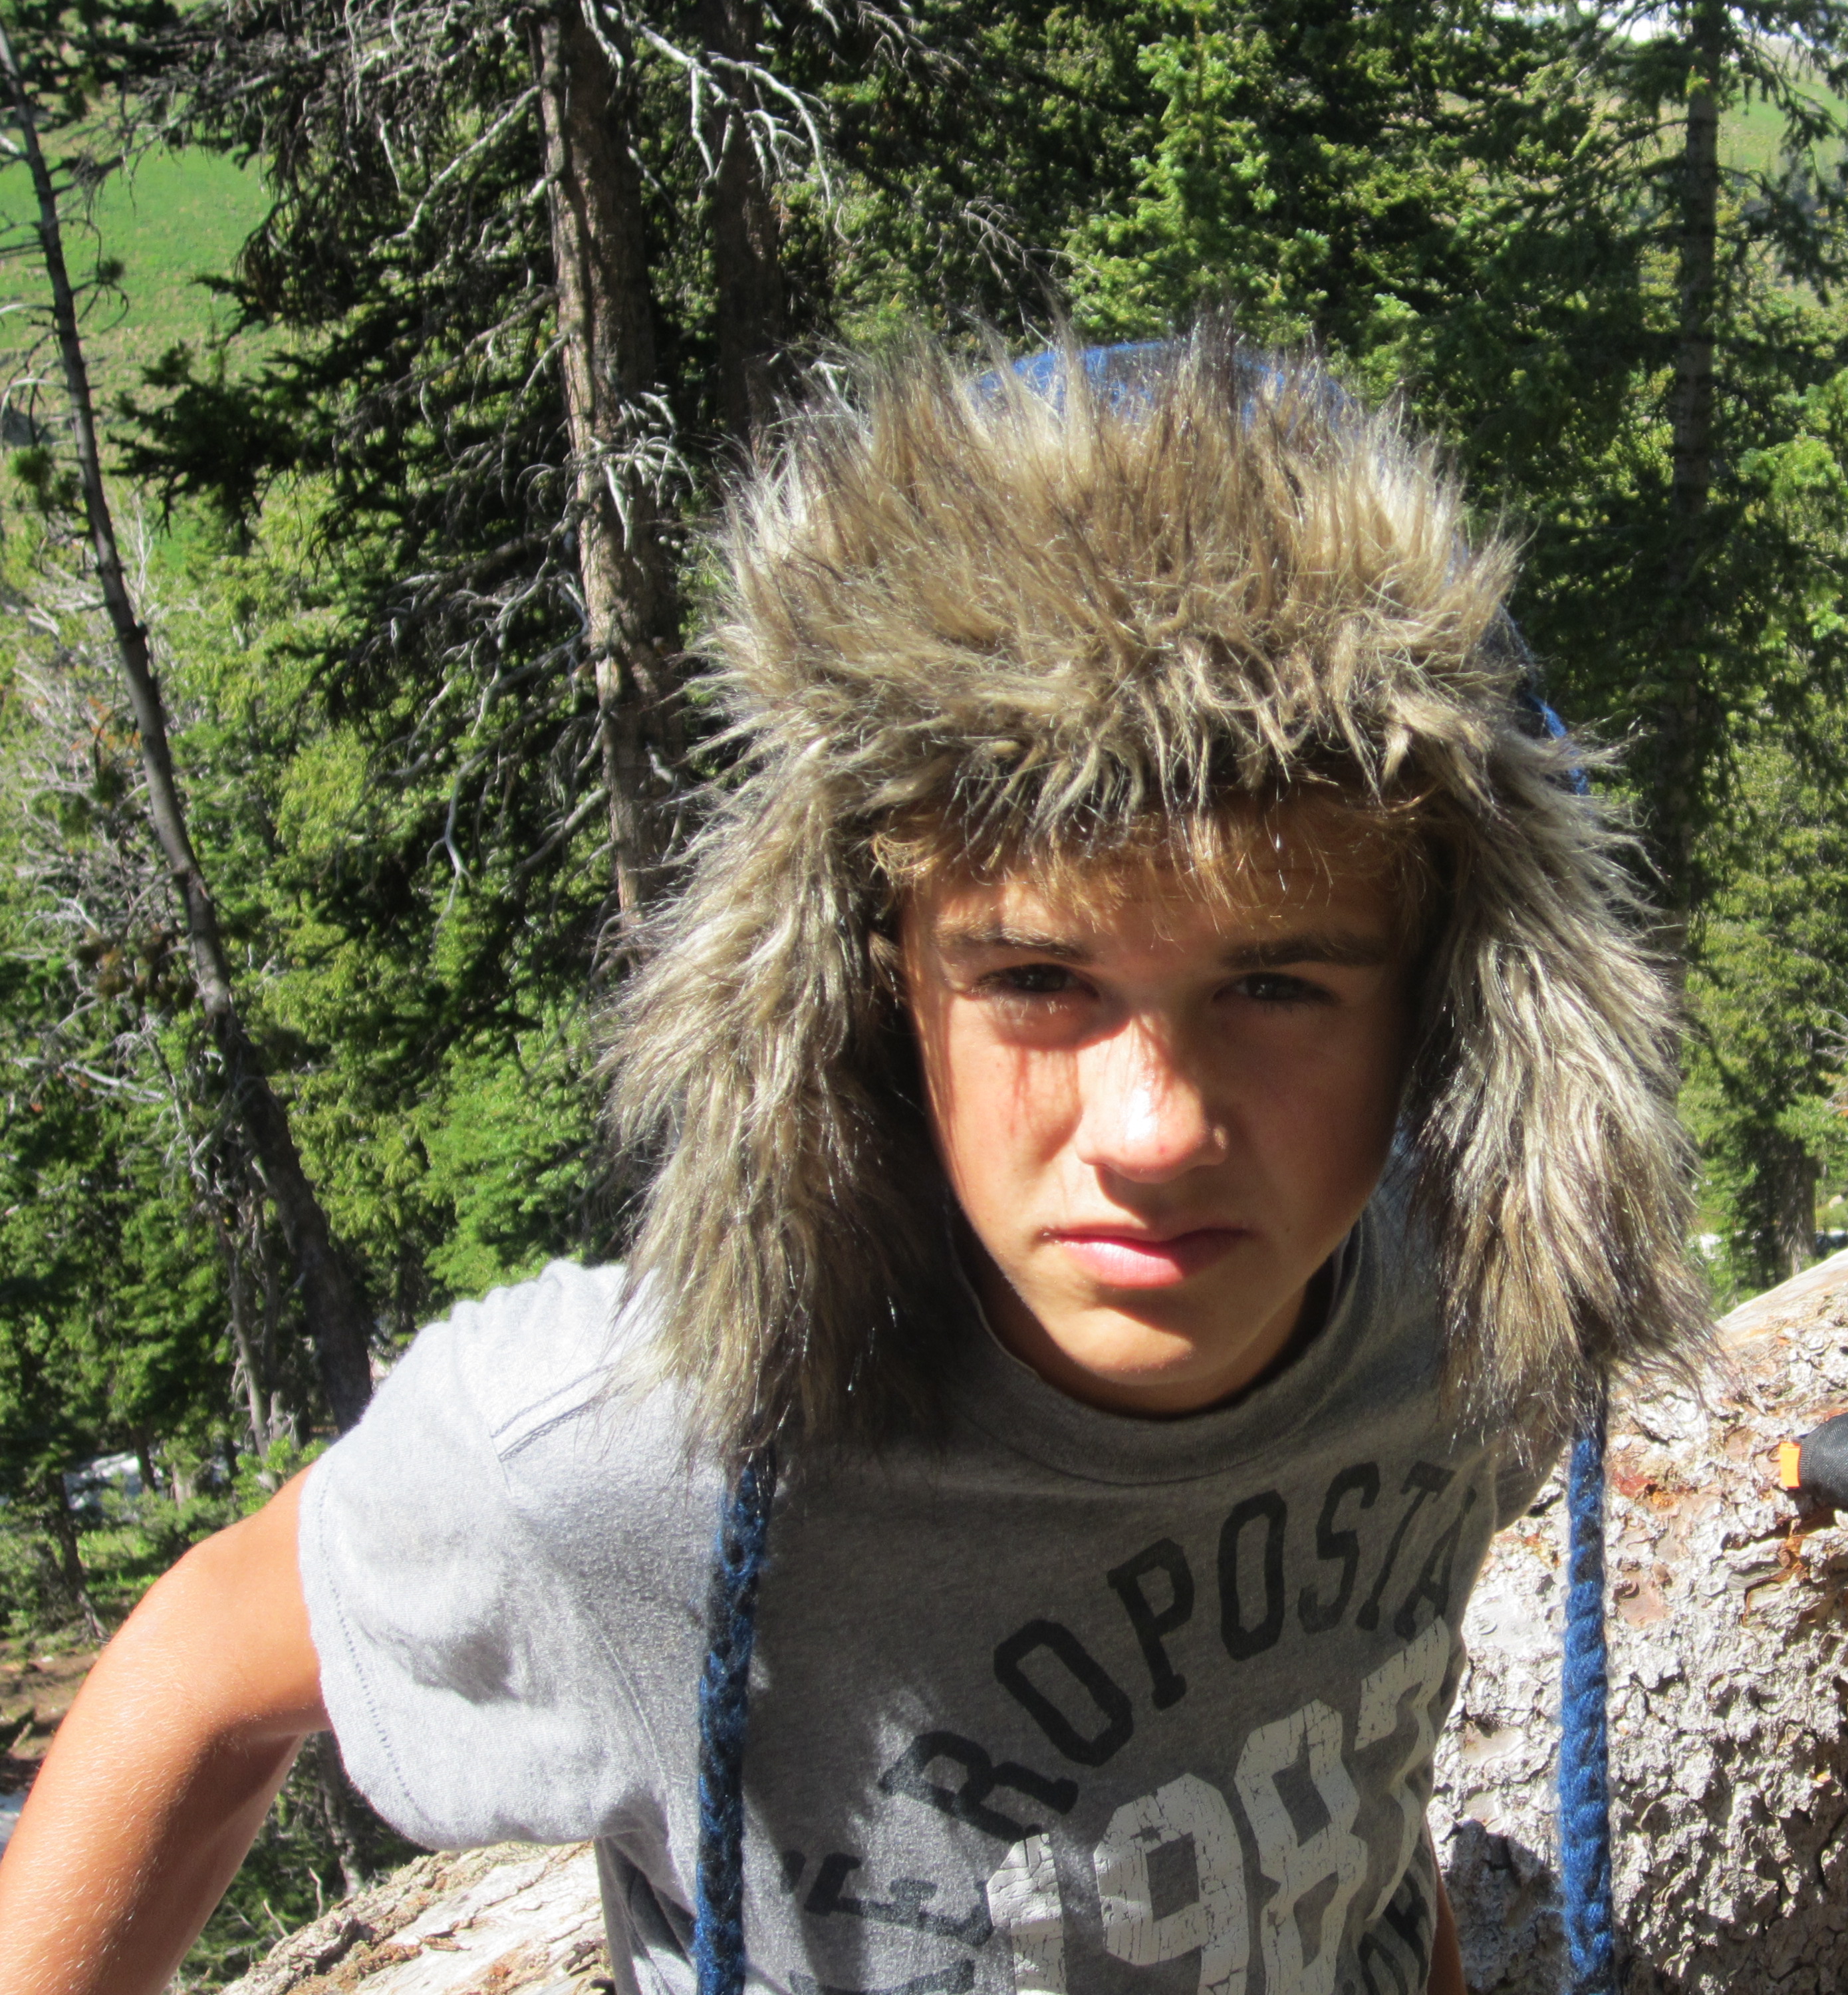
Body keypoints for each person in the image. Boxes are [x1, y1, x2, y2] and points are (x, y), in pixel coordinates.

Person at [0, 331, 1711, 1995]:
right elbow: (200, 1669)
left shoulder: (1453, 1316)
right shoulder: (629, 1457)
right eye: (1036, 981)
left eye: (1274, 988)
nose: (1154, 1132)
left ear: (1442, 1001)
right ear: (879, 989)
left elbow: (1347, 1800)